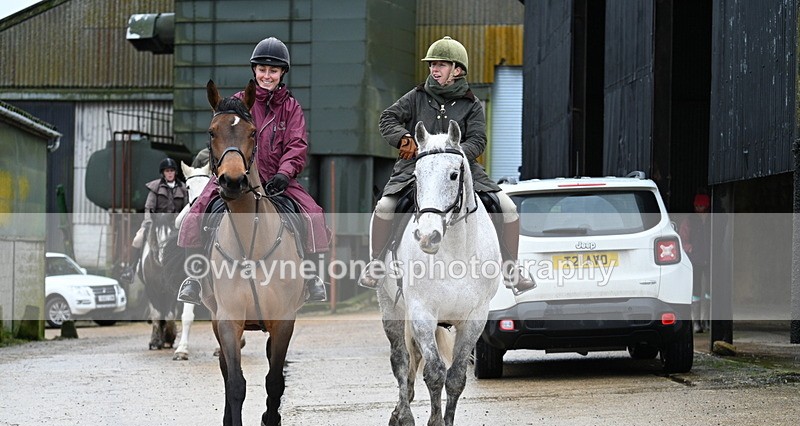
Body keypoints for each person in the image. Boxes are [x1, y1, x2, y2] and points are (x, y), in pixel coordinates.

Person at [357, 36, 536, 294]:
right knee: (385, 205)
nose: (434, 70)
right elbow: (387, 118)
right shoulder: (416, 96)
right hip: (416, 166)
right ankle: (376, 263)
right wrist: (403, 138)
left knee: (507, 208)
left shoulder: (472, 104)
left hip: (460, 168)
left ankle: (511, 268)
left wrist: (455, 156)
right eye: (432, 65)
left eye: (440, 65)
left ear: (457, 70)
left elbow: (479, 139)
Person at [177, 36, 329, 304]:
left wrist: (284, 173)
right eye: (262, 69)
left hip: (279, 177)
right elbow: (223, 137)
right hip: (234, 173)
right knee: (195, 215)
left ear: (282, 73)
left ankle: (311, 276)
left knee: (314, 215)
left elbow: (297, 143)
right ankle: (194, 278)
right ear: (254, 71)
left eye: (273, 70)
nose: (267, 75)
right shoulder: (236, 103)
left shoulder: (291, 107)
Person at [121, 157, 188, 283]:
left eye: (172, 171)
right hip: (156, 222)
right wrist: (148, 222)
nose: (170, 173)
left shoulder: (183, 188)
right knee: (137, 239)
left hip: (175, 224)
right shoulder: (155, 187)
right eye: (167, 171)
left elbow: (185, 207)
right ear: (163, 173)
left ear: (175, 172)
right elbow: (149, 207)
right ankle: (131, 269)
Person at [679, 192, 711, 333]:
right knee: (695, 290)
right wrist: (691, 249)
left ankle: (707, 320)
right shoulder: (689, 220)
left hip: (709, 258)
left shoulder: (712, 219)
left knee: (710, 291)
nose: (699, 208)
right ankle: (696, 321)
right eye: (697, 205)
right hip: (695, 259)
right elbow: (683, 238)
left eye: (702, 205)